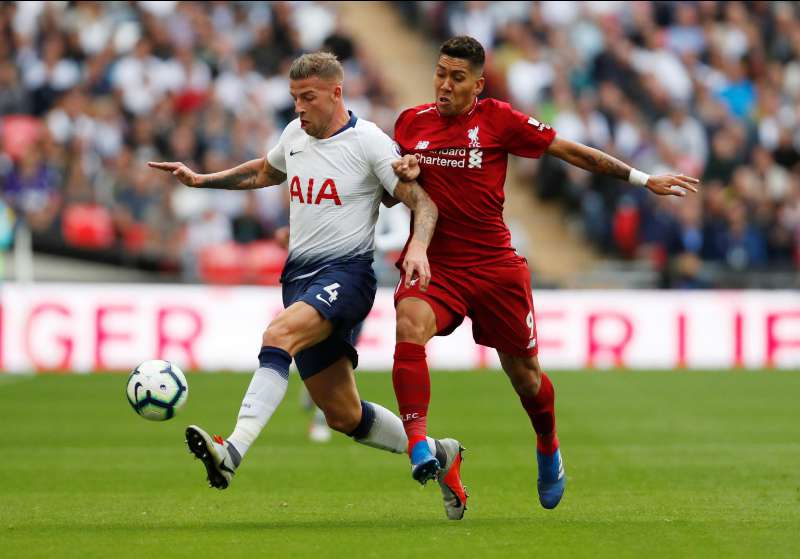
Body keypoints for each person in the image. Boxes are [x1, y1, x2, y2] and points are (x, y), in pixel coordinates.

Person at [389, 36, 699, 514]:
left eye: (456, 77)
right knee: (409, 323)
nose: (444, 85)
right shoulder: (410, 123)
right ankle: (419, 446)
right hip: (438, 265)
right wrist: (402, 175)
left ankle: (548, 444)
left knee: (525, 377)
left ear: (478, 84)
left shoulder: (499, 119)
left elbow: (570, 151)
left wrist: (642, 179)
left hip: (495, 268)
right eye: (440, 73)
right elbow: (392, 191)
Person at [149, 53, 466, 520]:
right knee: (343, 415)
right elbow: (263, 171)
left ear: (336, 93)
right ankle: (442, 455)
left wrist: (417, 247)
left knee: (277, 335)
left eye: (308, 98)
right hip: (298, 278)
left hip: (348, 276)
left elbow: (423, 201)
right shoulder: (295, 135)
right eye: (295, 97)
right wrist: (200, 181)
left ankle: (231, 451)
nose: (299, 107)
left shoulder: (369, 142)